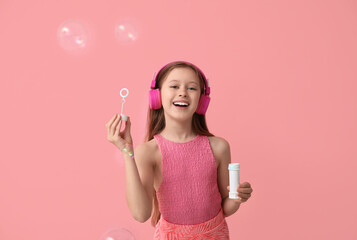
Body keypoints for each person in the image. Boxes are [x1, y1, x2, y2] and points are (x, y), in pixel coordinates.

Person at [105, 61, 253, 239]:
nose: (183, 92)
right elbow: (140, 214)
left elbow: (225, 207)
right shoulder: (149, 152)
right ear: (157, 97)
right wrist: (126, 151)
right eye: (174, 86)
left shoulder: (219, 147)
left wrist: (237, 198)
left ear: (202, 100)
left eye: (192, 88)